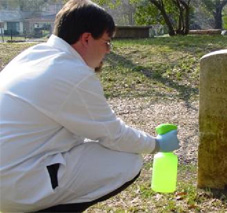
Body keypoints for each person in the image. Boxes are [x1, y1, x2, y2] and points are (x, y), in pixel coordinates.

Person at [0, 0, 180, 212]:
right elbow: (114, 135)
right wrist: (156, 145)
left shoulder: (32, 56)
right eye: (106, 41)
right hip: (14, 187)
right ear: (86, 38)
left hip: (11, 172)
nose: (108, 50)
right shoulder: (72, 73)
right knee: (127, 160)